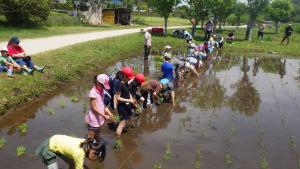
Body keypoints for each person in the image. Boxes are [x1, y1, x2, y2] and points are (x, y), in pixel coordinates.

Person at [35, 135, 106, 169]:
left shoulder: (87, 142)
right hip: (49, 148)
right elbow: (79, 162)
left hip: (57, 140)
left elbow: (79, 162)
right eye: (95, 158)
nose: (94, 160)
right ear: (93, 153)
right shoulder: (79, 154)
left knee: (74, 163)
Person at [85, 74, 113, 141]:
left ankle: (97, 145)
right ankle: (89, 149)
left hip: (100, 117)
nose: (104, 88)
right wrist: (104, 115)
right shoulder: (93, 93)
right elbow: (94, 108)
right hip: (94, 118)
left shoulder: (102, 90)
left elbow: (102, 104)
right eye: (103, 86)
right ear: (98, 83)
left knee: (97, 134)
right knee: (90, 137)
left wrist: (109, 112)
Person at [115, 67, 135, 136]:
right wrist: (129, 100)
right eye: (129, 77)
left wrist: (132, 100)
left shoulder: (126, 82)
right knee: (122, 123)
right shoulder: (119, 85)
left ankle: (126, 128)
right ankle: (118, 139)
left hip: (127, 105)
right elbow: (118, 98)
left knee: (128, 118)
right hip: (121, 107)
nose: (130, 78)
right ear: (125, 76)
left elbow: (128, 92)